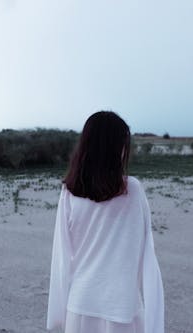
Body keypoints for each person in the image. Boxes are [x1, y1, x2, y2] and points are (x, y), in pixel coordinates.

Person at [46, 111, 164, 333]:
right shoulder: (133, 190)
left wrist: (57, 317)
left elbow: (61, 257)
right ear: (117, 148)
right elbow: (147, 254)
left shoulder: (69, 193)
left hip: (80, 305)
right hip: (122, 307)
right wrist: (154, 320)